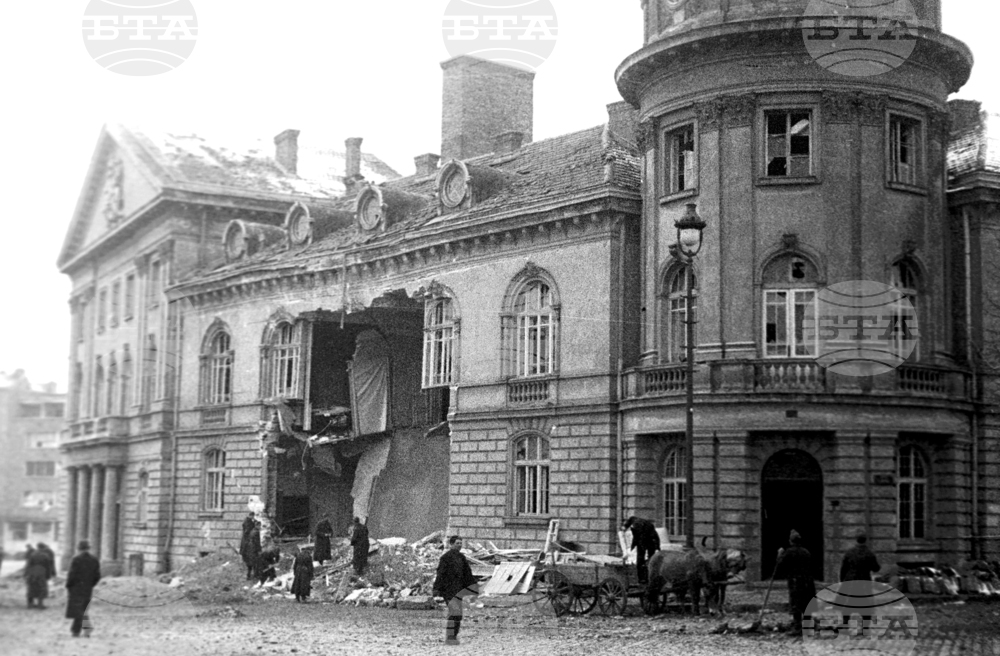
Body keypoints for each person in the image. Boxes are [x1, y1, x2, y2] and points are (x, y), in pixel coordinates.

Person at [433, 535, 479, 646]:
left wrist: (473, 588)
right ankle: (450, 637)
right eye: (457, 543)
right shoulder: (445, 558)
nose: (459, 545)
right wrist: (437, 590)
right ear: (451, 544)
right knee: (454, 612)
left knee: (458, 614)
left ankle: (453, 636)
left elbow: (467, 574)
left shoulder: (462, 558)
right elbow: (440, 574)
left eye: (460, 543)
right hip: (448, 590)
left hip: (458, 590)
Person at [775, 529, 816, 637]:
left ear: (790, 541)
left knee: (796, 603)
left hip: (795, 581)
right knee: (806, 602)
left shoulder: (789, 552)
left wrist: (779, 554)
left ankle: (798, 627)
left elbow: (780, 565)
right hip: (807, 581)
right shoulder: (806, 552)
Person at [66, 540, 101, 638]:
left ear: (79, 548)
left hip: (76, 588)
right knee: (83, 609)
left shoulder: (76, 559)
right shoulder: (94, 559)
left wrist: (69, 585)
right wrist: (91, 584)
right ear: (88, 548)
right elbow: (97, 576)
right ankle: (81, 629)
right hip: (87, 588)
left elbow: (71, 574)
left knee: (78, 609)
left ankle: (80, 630)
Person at [623, 516, 660, 584]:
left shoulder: (648, 527)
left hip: (649, 543)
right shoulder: (633, 520)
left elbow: (655, 537)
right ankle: (641, 579)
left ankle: (648, 578)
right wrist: (624, 527)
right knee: (640, 560)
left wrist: (657, 548)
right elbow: (628, 524)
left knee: (650, 560)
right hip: (641, 542)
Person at [25, 544, 51, 608]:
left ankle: (30, 604)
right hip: (41, 573)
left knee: (31, 588)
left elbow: (28, 565)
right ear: (43, 548)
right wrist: (48, 575)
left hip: (32, 573)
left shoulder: (32, 554)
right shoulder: (45, 556)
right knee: (41, 588)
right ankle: (40, 604)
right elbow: (48, 566)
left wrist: (26, 574)